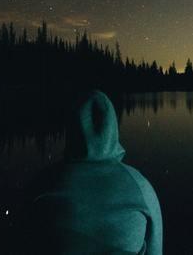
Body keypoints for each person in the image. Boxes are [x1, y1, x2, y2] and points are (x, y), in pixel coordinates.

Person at [25, 89, 163, 254]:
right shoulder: (141, 187)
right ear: (113, 128)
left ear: (71, 129)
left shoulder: (41, 185)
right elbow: (156, 250)